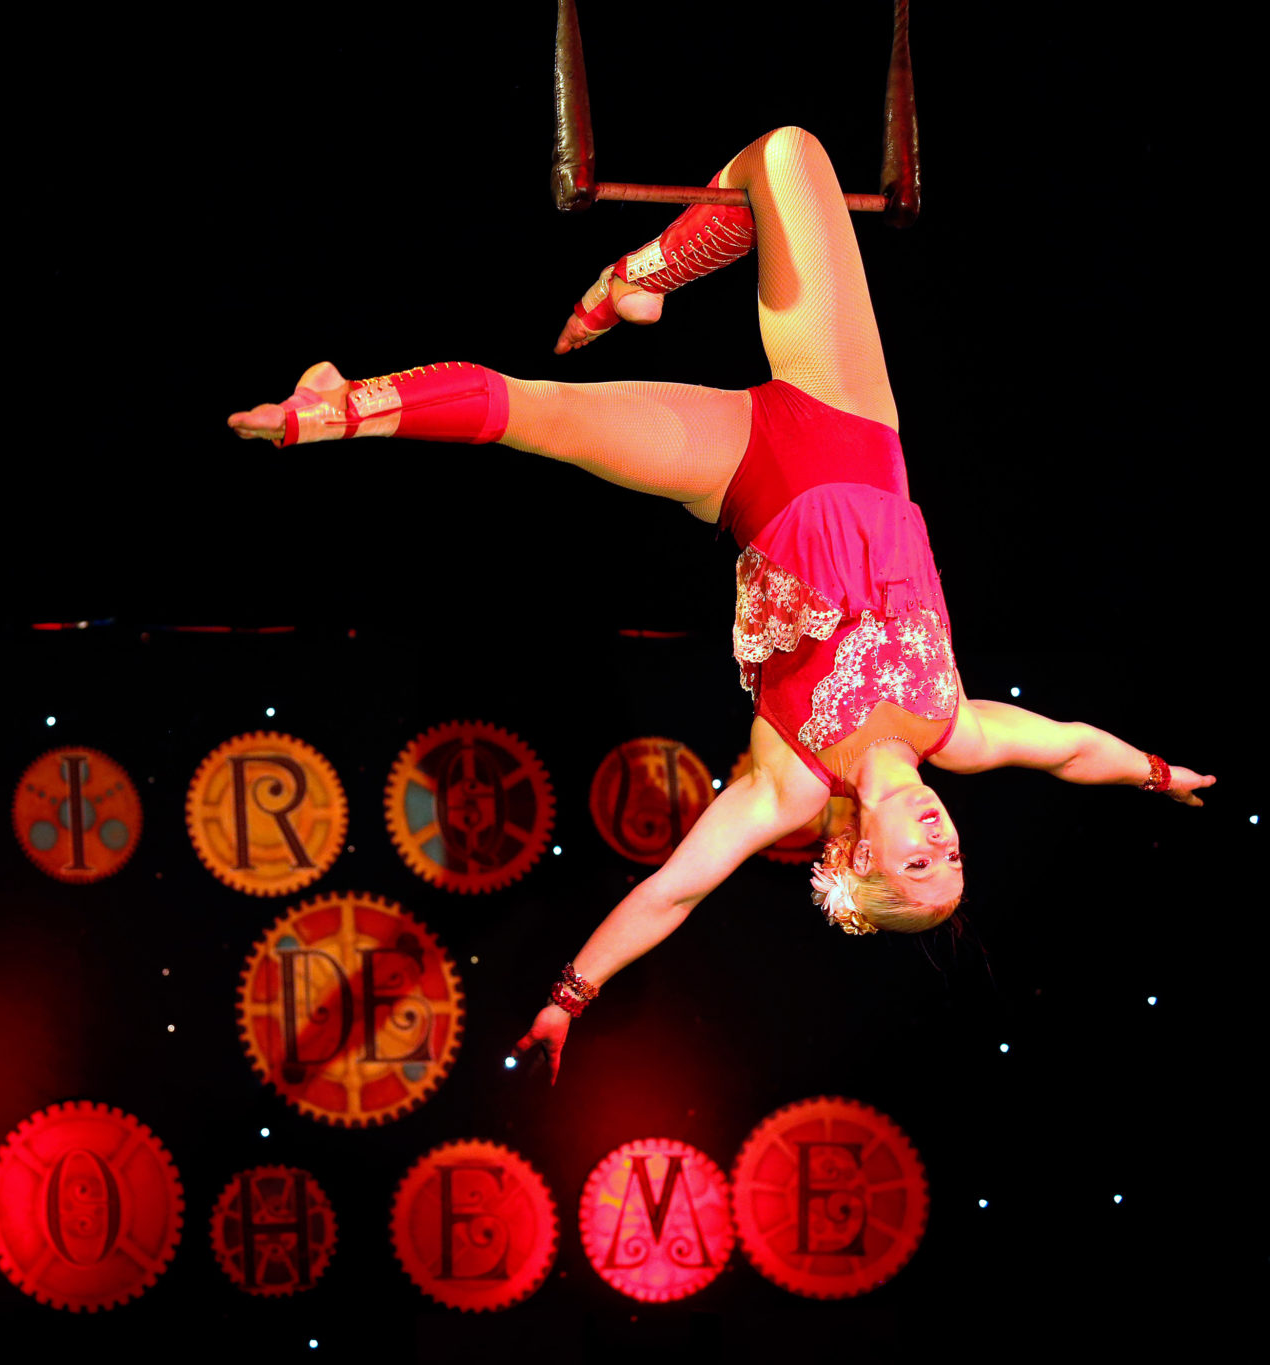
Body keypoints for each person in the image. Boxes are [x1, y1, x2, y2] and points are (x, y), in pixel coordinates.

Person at [226, 126, 1214, 1083]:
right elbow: (1074, 749)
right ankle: (636, 279)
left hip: (742, 466)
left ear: (863, 860)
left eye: (920, 868)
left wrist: (571, 994)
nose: (942, 843)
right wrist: (1158, 774)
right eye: (952, 859)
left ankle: (332, 409)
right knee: (786, 154)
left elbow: (673, 892)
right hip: (849, 410)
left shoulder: (783, 784)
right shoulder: (953, 729)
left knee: (543, 416)